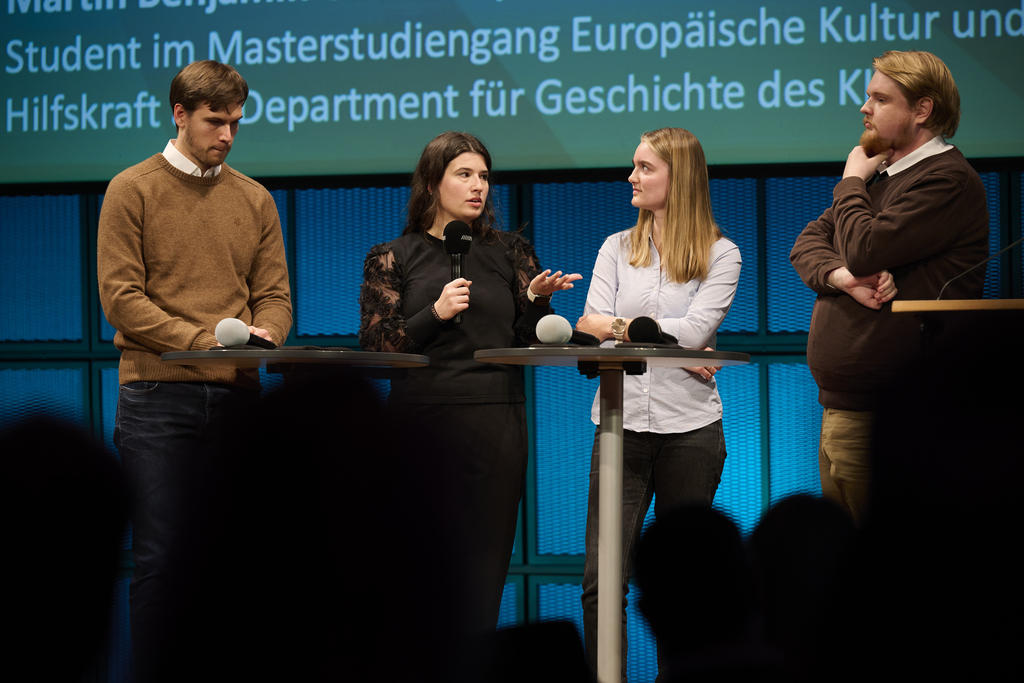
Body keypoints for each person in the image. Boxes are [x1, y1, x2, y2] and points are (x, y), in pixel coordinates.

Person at [96, 60, 292, 681]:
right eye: (215, 121)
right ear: (179, 114)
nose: (228, 134)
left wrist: (266, 335)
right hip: (157, 393)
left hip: (237, 396)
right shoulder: (133, 188)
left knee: (241, 558)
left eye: (236, 122)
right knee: (162, 557)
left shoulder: (254, 198)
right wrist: (202, 342)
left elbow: (275, 296)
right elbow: (121, 298)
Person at [358, 131, 580, 633]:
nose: (478, 186)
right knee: (416, 573)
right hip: (421, 426)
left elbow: (526, 340)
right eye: (464, 175)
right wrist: (433, 313)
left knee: (482, 576)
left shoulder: (511, 252)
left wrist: (539, 302)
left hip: (497, 420)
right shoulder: (394, 256)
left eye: (483, 176)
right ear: (432, 183)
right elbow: (377, 345)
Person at [789, 50, 988, 526]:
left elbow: (862, 246)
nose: (865, 108)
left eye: (879, 98)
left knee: (890, 576)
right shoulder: (881, 176)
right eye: (867, 96)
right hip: (841, 409)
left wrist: (851, 181)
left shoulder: (947, 179)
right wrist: (844, 279)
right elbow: (806, 244)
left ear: (922, 110)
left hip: (896, 419)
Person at [575, 127, 742, 681]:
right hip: (619, 425)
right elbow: (587, 328)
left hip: (691, 431)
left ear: (680, 176)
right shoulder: (616, 248)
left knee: (688, 588)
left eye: (644, 167)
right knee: (602, 581)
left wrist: (628, 331)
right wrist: (662, 345)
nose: (632, 176)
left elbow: (694, 333)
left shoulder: (723, 253)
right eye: (634, 165)